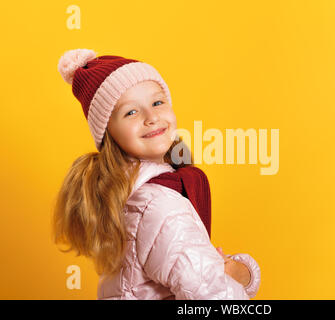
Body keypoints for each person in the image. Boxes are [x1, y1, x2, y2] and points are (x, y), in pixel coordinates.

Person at [52, 49, 261, 299]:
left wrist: (241, 272)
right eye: (131, 112)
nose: (151, 117)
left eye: (157, 102)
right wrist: (241, 273)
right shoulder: (159, 204)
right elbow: (213, 295)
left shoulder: (123, 194)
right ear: (108, 134)